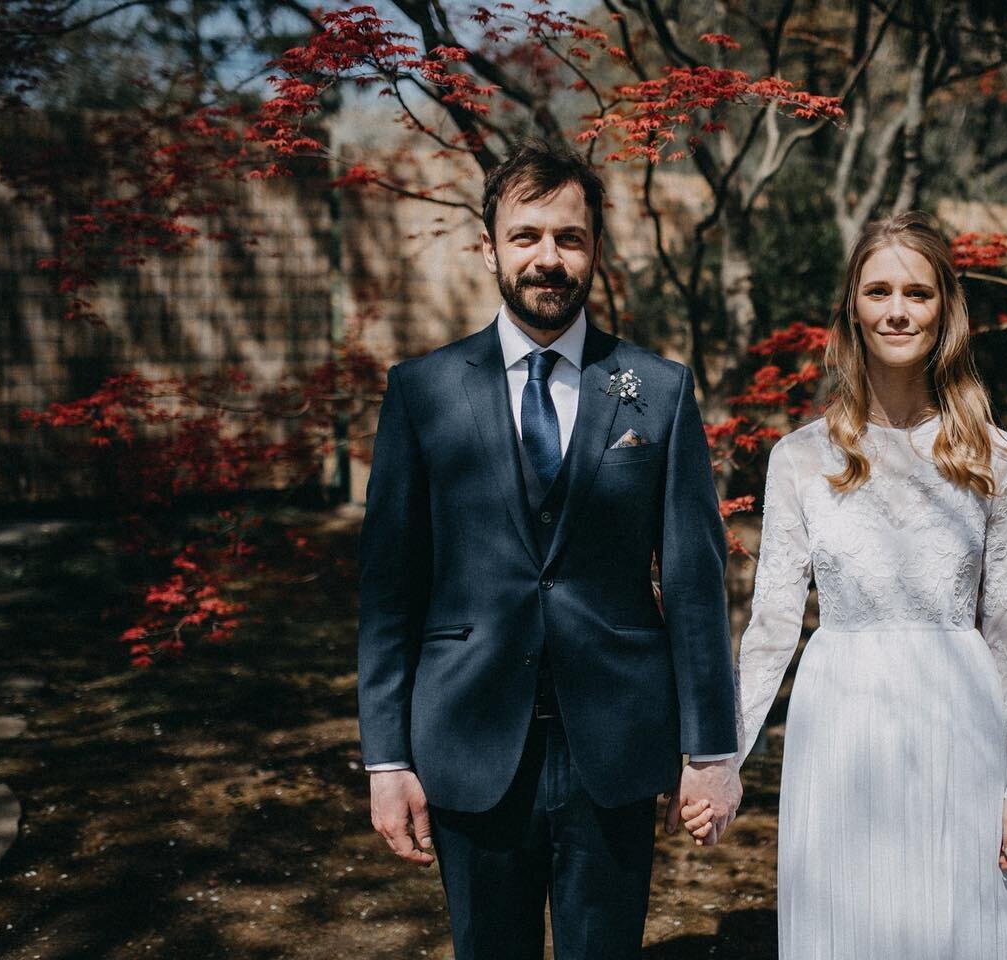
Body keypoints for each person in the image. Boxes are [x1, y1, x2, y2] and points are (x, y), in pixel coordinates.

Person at [356, 137, 741, 960]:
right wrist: (385, 759)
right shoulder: (422, 392)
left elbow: (695, 580)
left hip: (616, 743)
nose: (548, 258)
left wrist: (710, 750)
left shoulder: (657, 390)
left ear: (595, 250)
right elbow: (390, 592)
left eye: (569, 238)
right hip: (468, 739)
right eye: (527, 236)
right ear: (490, 246)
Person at [684, 210, 1007, 957]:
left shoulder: (994, 456)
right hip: (840, 722)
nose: (898, 310)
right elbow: (774, 623)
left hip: (960, 718)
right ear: (853, 305)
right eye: (878, 290)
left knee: (953, 921)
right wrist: (722, 759)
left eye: (917, 292)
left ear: (945, 308)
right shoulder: (800, 458)